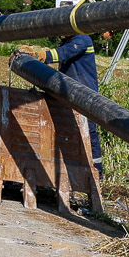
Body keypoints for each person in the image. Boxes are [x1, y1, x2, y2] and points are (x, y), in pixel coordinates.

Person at [53, 28, 103, 171]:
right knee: (69, 131)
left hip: (86, 94)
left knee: (89, 132)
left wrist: (42, 55)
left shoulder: (82, 40)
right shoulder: (67, 41)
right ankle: (73, 169)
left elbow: (63, 53)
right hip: (69, 94)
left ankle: (96, 171)